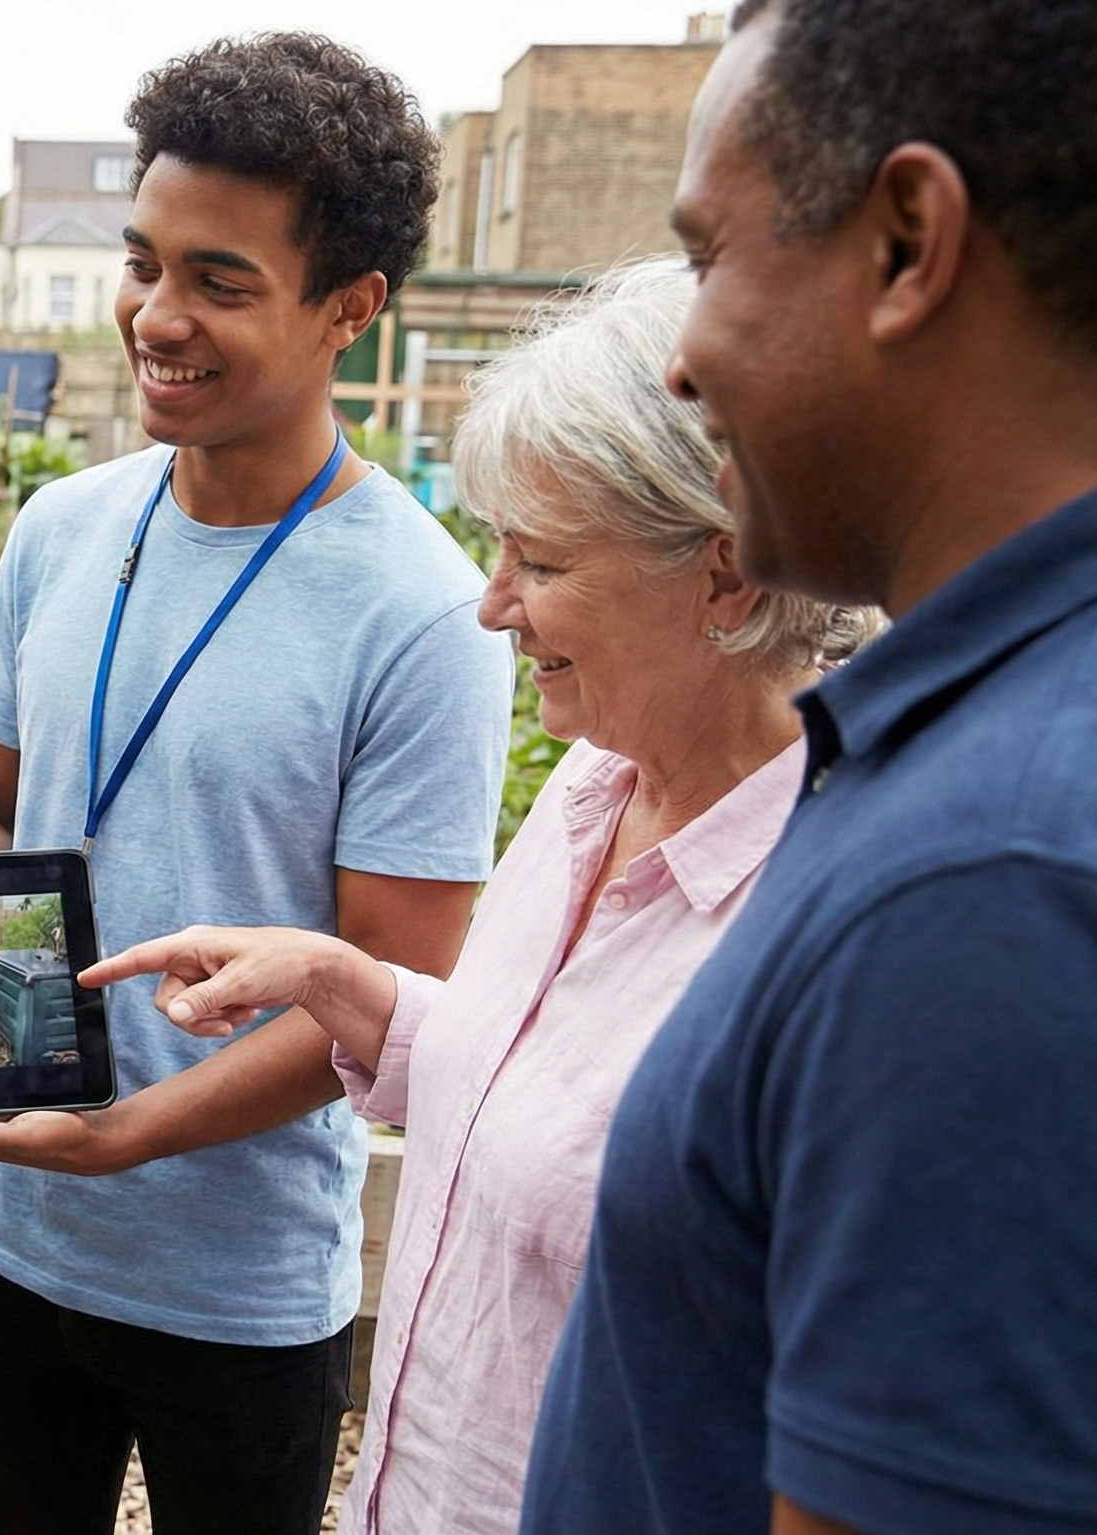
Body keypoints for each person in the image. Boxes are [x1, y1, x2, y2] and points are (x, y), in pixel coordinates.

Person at [80, 258, 876, 1535]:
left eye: (542, 561)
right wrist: (346, 984)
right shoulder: (590, 787)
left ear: (727, 576)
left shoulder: (843, 927)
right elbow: (540, 1093)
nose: (494, 603)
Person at [0, 35, 513, 1535]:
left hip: (231, 1289)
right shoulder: (59, 524)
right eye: (142, 262)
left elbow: (389, 990)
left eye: (220, 282)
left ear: (349, 310)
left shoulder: (421, 610)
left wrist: (122, 1134)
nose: (155, 318)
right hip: (5, 1233)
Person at [520, 2, 1097, 1531]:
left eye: (709, 260)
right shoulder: (985, 740)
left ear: (907, 241)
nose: (687, 359)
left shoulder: (985, 883)